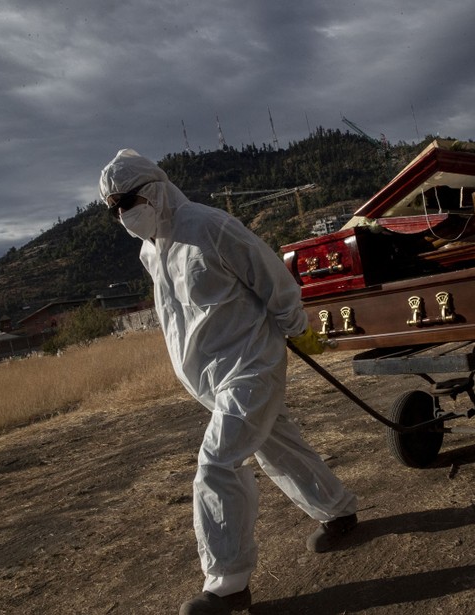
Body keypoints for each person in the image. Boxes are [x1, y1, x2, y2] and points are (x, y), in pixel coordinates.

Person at [99, 149, 358, 615]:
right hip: (211, 379)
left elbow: (271, 276)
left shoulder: (210, 226)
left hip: (251, 364)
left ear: (155, 190)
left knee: (217, 462)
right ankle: (339, 510)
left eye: (128, 200)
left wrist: (297, 327)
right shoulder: (149, 250)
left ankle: (228, 583)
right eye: (114, 207)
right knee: (277, 446)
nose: (124, 214)